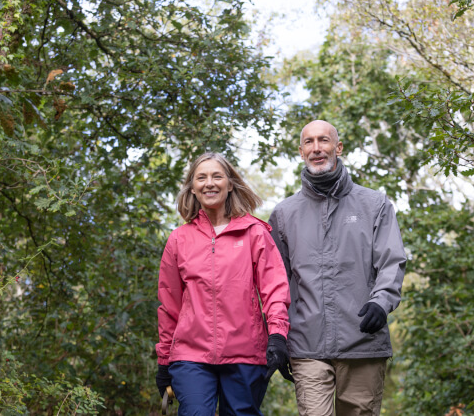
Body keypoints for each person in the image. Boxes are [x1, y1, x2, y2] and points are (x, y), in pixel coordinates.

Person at [268, 120, 407, 416]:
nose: (317, 148)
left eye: (324, 140)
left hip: (363, 339)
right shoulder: (283, 214)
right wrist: (276, 336)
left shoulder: (375, 204)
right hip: (307, 344)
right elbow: (275, 283)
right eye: (309, 142)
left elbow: (391, 261)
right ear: (301, 151)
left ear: (338, 147)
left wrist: (381, 303)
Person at [155, 152, 293, 415]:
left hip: (246, 353)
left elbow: (274, 289)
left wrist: (277, 336)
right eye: (201, 177)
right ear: (192, 188)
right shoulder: (178, 239)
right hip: (190, 355)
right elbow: (169, 304)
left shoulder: (255, 233)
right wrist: (164, 359)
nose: (209, 183)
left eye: (217, 176)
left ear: (230, 184)